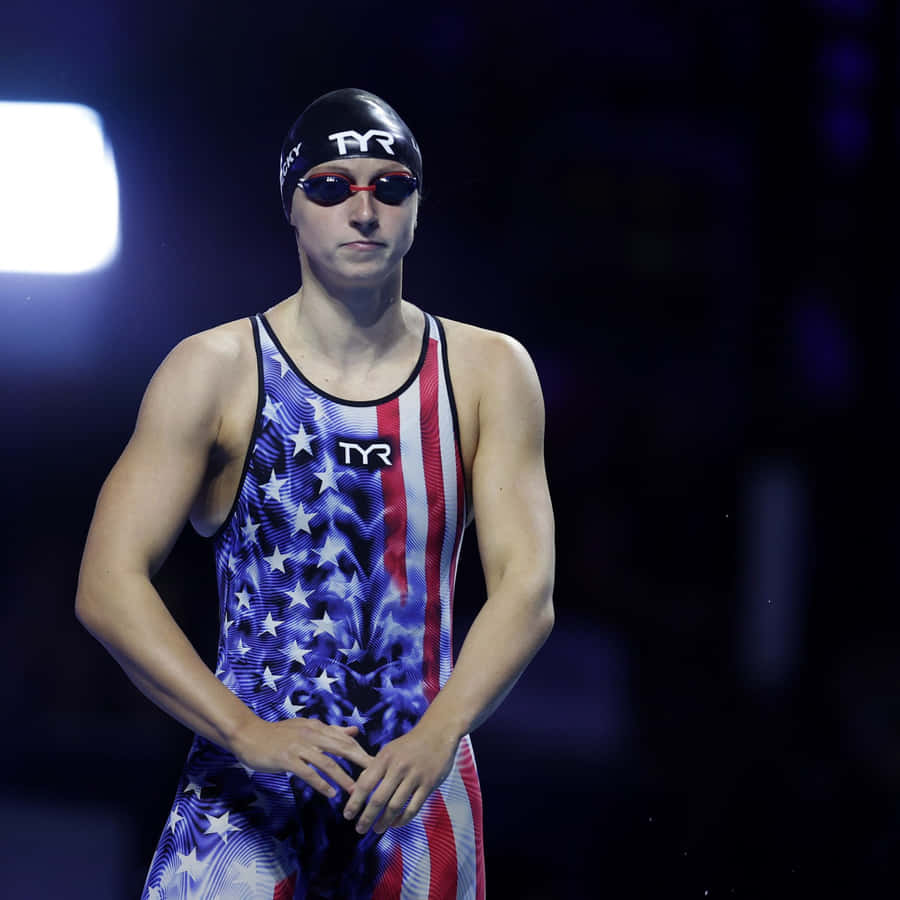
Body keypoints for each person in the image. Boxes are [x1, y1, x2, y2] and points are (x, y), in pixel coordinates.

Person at [76, 88, 555, 900]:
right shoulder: (215, 370)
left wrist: (438, 735)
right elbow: (107, 585)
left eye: (389, 185)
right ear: (291, 209)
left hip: (415, 794)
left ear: (417, 209)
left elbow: (527, 589)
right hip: (246, 806)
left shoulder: (487, 372)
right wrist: (245, 731)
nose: (362, 210)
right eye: (331, 186)